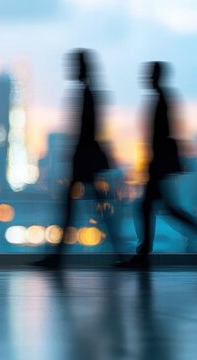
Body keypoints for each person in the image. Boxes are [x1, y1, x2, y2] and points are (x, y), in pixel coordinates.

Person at [118, 62, 197, 268]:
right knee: (165, 209)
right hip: (159, 166)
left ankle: (143, 253)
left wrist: (152, 165)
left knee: (150, 208)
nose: (146, 78)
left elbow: (160, 139)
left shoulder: (161, 101)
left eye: (150, 74)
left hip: (158, 167)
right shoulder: (163, 99)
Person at [33, 49, 118, 269]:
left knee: (72, 209)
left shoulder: (86, 94)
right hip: (85, 160)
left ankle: (57, 257)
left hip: (83, 161)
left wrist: (75, 155)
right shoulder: (89, 93)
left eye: (74, 66)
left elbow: (86, 131)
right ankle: (118, 251)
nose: (71, 70)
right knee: (95, 209)